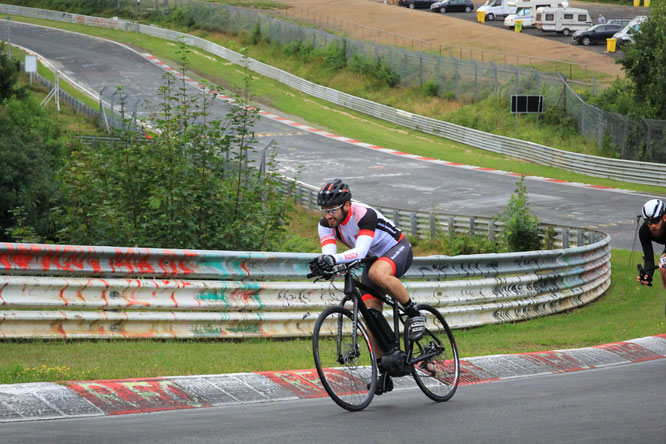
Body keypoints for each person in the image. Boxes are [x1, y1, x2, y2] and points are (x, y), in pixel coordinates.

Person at [309, 178, 425, 394]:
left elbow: (360, 252)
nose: (328, 215)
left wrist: (334, 261)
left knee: (377, 273)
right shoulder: (326, 225)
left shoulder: (364, 215)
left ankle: (413, 313)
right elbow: (330, 254)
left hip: (397, 248)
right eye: (324, 210)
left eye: (332, 210)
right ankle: (385, 371)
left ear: (346, 205)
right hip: (372, 259)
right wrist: (325, 263)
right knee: (370, 315)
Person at [637, 199, 666, 289]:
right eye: (649, 222)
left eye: (656, 220)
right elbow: (649, 259)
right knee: (663, 265)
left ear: (664, 218)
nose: (653, 226)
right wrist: (647, 275)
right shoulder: (644, 231)